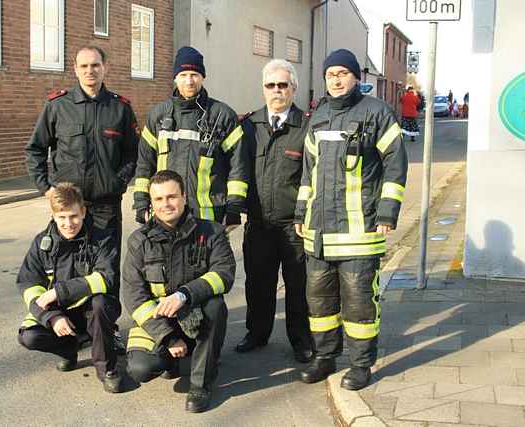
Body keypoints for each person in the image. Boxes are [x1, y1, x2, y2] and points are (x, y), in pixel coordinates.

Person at [294, 49, 408, 390]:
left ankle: (360, 365)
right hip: (319, 234)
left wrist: (388, 211)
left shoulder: (376, 112)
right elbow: (308, 173)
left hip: (360, 231)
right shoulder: (319, 115)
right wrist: (301, 212)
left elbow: (395, 164)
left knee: (359, 304)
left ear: (356, 77)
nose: (337, 79)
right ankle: (325, 357)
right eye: (331, 75)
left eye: (343, 73)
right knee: (320, 302)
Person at [122, 170, 235, 413]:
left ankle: (200, 384)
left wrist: (184, 294)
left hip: (195, 318)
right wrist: (167, 337)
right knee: (140, 369)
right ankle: (170, 358)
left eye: (172, 196)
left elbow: (224, 275)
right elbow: (134, 296)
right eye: (159, 199)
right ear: (151, 203)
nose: (166, 204)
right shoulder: (138, 241)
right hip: (158, 320)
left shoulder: (211, 232)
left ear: (184, 196)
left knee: (215, 305)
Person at [25, 46, 139, 272]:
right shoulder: (57, 106)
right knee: (67, 267)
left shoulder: (120, 108)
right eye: (84, 66)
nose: (90, 70)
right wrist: (46, 188)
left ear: (105, 68)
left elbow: (133, 153)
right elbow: (35, 149)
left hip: (106, 205)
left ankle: (105, 309)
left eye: (95, 65)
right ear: (75, 69)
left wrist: (118, 181)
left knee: (107, 269)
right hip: (69, 207)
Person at [234, 59, 313, 363]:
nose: (277, 90)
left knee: (298, 287)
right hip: (258, 223)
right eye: (271, 85)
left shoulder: (307, 125)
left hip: (295, 226)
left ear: (293, 88)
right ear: (263, 89)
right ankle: (257, 333)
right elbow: (237, 170)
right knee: (258, 284)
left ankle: (301, 341)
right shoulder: (248, 125)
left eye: (283, 85)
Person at [16, 183, 123, 393]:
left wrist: (58, 292)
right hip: (60, 313)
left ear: (83, 211)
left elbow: (106, 278)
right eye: (62, 217)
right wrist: (52, 317)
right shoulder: (42, 243)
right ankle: (68, 349)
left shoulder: (102, 239)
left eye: (74, 216)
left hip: (92, 312)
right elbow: (28, 285)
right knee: (28, 336)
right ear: (53, 216)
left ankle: (107, 370)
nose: (68, 224)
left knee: (101, 303)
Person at [132, 46, 249, 233]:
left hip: (209, 219)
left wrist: (234, 208)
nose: (189, 81)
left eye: (194, 74)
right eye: (183, 74)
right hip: (166, 216)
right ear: (175, 77)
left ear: (203, 77)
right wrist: (141, 202)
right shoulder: (159, 115)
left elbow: (238, 167)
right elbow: (145, 163)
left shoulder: (222, 116)